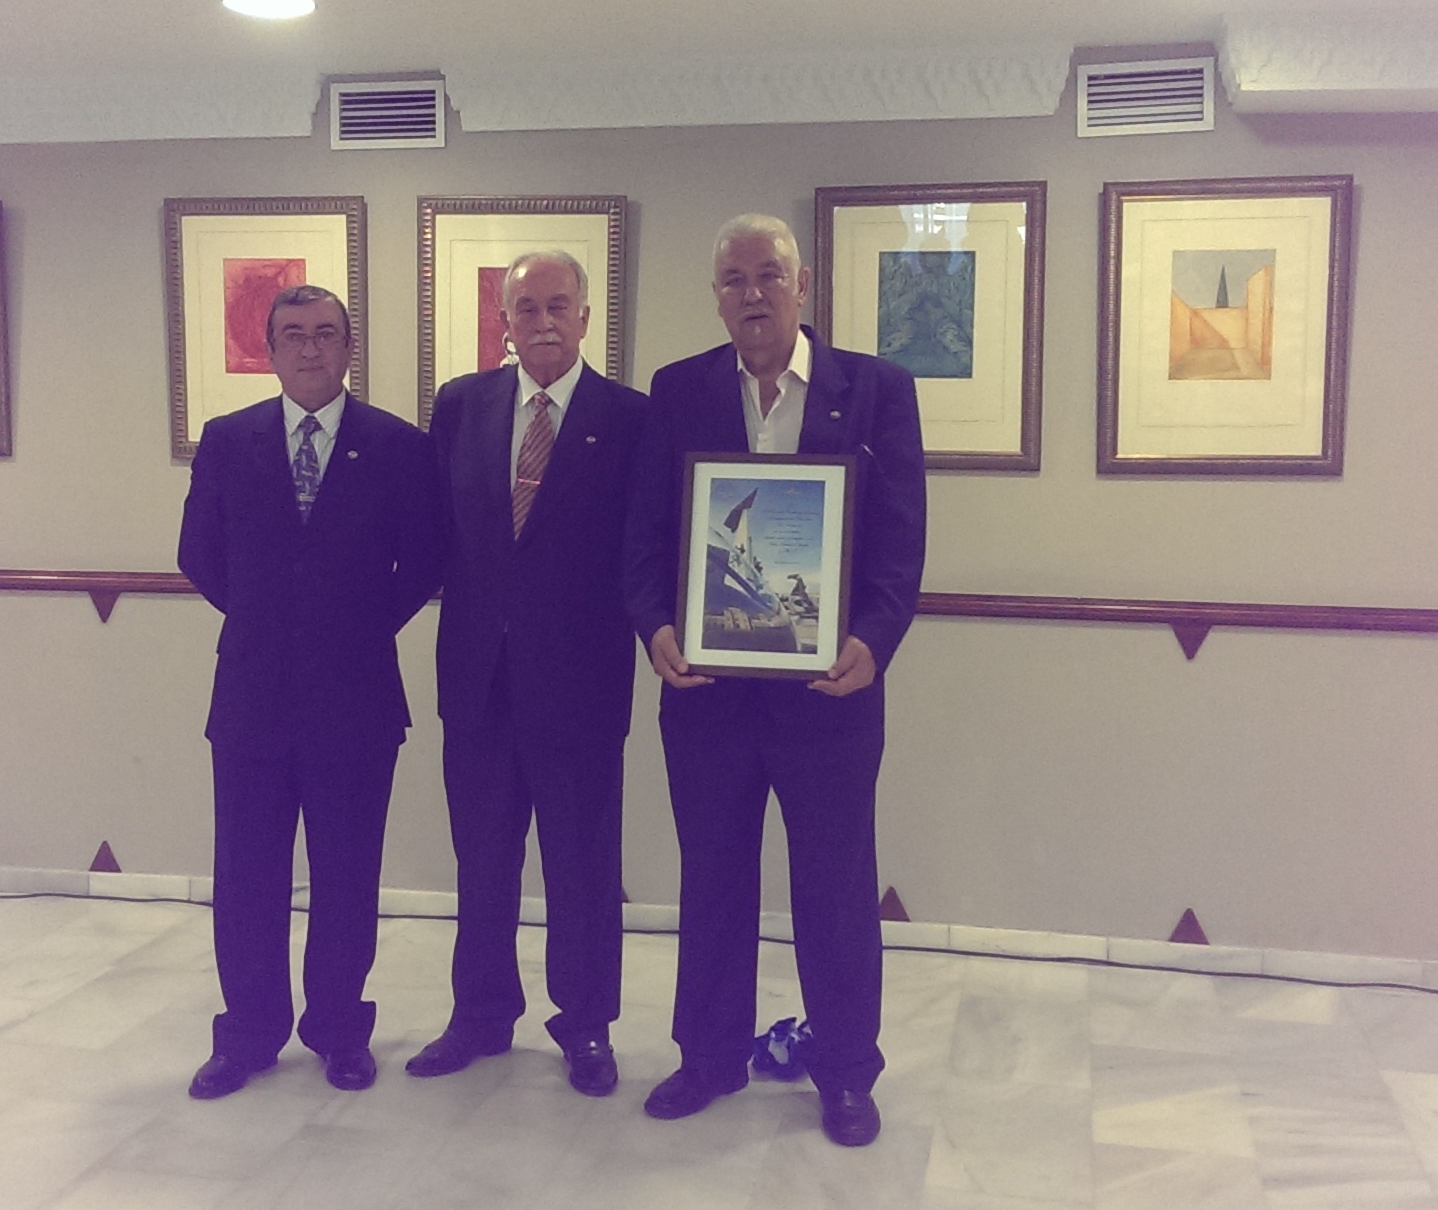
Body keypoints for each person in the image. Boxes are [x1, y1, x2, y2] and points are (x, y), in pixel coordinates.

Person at [621, 214, 926, 1147]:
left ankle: (846, 1073)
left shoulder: (875, 390)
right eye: (733, 279)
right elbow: (643, 535)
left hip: (830, 695)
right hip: (707, 695)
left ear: (803, 287)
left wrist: (874, 640)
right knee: (712, 879)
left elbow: (900, 541)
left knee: (835, 889)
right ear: (716, 296)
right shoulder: (678, 391)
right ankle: (708, 1058)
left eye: (768, 275)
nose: (752, 293)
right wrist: (656, 626)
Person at [177, 283, 444, 1099]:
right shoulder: (229, 441)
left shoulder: (396, 445)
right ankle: (247, 1035)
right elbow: (198, 553)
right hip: (251, 697)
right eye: (293, 334)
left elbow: (424, 561)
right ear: (269, 350)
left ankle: (338, 1030)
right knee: (246, 878)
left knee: (346, 877)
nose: (310, 348)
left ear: (348, 347)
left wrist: (352, 626)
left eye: (326, 333)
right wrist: (270, 620)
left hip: (356, 700)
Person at [409, 251, 649, 1096]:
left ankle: (585, 1026)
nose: (542, 321)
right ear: (503, 321)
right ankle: (479, 1015)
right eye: (525, 307)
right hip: (478, 680)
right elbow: (435, 532)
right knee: (481, 862)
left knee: (582, 867)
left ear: (585, 316)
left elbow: (643, 550)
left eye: (558, 305)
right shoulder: (461, 406)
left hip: (582, 687)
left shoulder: (630, 419)